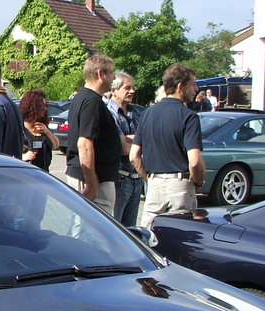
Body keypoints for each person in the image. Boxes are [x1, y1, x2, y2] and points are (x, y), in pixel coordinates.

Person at [130, 63, 205, 228]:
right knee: (180, 235)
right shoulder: (189, 117)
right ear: (180, 87)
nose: (196, 89)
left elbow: (134, 156)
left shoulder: (147, 114)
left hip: (154, 184)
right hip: (180, 185)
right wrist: (198, 182)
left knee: (148, 235)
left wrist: (148, 179)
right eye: (193, 84)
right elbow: (194, 161)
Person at [65, 54, 120, 215]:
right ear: (100, 74)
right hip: (93, 180)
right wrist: (91, 183)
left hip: (91, 177)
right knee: (93, 227)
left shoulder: (84, 99)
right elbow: (84, 144)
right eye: (112, 72)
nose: (114, 77)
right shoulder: (92, 102)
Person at [105, 71, 143, 226]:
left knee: (130, 232)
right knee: (114, 228)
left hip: (137, 180)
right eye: (127, 88)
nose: (132, 91)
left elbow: (147, 140)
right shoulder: (109, 113)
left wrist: (130, 138)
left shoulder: (137, 113)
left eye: (133, 87)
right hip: (119, 180)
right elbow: (124, 149)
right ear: (114, 90)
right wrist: (139, 139)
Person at [19, 90, 59, 171]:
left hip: (43, 172)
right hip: (26, 172)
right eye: (42, 106)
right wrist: (23, 157)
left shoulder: (42, 125)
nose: (45, 109)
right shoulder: (19, 127)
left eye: (45, 105)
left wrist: (47, 132)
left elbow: (56, 145)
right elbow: (7, 152)